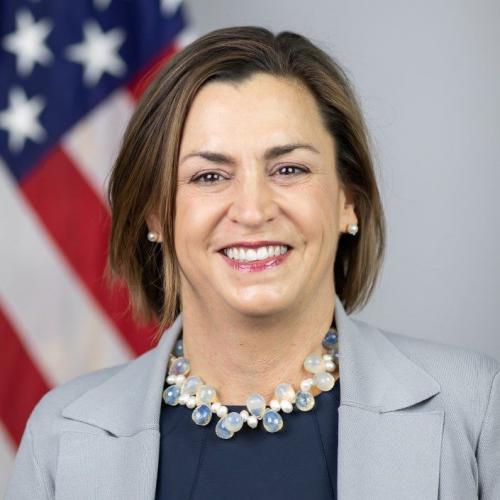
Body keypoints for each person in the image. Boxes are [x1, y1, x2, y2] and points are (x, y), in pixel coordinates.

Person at [6, 26, 499, 500]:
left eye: (289, 169)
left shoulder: (475, 408)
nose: (253, 210)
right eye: (209, 176)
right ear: (154, 215)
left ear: (348, 198)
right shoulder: (63, 433)